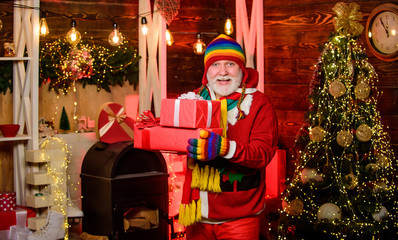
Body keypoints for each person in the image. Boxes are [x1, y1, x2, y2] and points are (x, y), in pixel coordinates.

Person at [178, 34, 278, 240]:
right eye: (215, 65)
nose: (222, 72)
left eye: (230, 64)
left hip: (240, 217)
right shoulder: (194, 99)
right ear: (207, 72)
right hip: (198, 215)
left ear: (242, 69)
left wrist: (225, 148)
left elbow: (263, 154)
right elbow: (175, 132)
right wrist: (154, 124)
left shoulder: (259, 103)